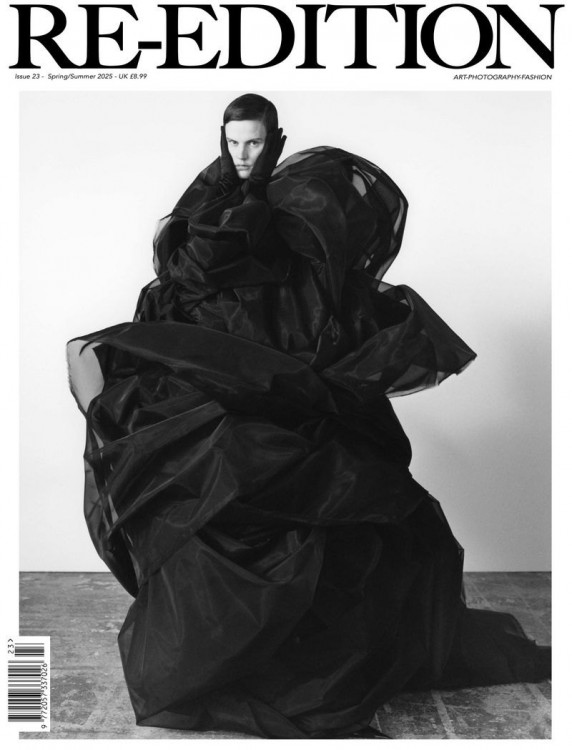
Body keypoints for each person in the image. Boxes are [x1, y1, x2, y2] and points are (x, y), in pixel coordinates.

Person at [67, 93, 550, 739]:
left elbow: (319, 305)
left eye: (255, 142)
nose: (244, 155)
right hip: (222, 391)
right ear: (221, 140)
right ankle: (227, 666)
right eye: (233, 142)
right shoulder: (201, 216)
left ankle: (320, 665)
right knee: (219, 496)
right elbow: (178, 302)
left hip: (291, 383)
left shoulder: (303, 212)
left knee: (346, 505)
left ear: (277, 139)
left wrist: (310, 362)